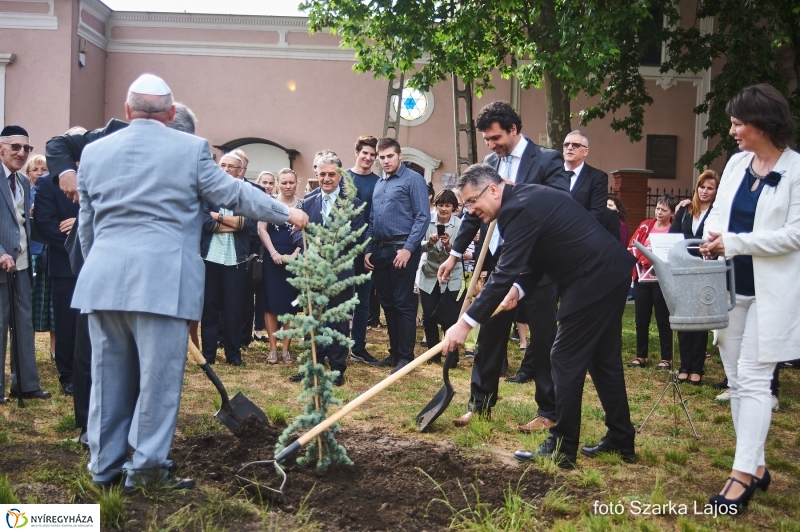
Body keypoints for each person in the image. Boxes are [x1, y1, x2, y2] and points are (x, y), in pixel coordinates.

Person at [72, 74, 308, 491]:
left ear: (127, 113)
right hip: (163, 284)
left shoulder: (94, 152)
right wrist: (285, 212)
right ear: (169, 114)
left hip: (103, 282)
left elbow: (87, 230)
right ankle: (145, 471)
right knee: (158, 381)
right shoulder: (190, 149)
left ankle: (103, 468)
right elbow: (235, 194)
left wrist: (101, 270)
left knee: (107, 378)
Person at [441, 163, 636, 469]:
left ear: (492, 189)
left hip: (593, 277)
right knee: (603, 359)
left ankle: (562, 445)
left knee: (564, 357)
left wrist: (464, 324)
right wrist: (518, 288)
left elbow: (504, 272)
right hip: (609, 272)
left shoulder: (519, 208)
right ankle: (621, 437)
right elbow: (538, 254)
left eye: (471, 202)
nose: (470, 210)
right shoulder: (523, 200)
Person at [437, 101, 569, 428]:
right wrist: (455, 253)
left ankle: (548, 412)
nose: (492, 145)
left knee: (541, 338)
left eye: (496, 137)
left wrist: (514, 189)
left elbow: (560, 202)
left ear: (514, 129)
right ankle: (480, 404)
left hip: (537, 261)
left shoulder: (547, 160)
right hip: (499, 258)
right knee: (489, 333)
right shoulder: (488, 164)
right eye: (486, 140)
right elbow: (471, 211)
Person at [700, 83, 799, 511]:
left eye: (739, 123)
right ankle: (756, 466)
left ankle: (740, 478)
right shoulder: (738, 163)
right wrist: (711, 237)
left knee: (757, 380)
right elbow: (718, 216)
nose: (733, 130)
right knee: (736, 379)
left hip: (772, 294)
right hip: (731, 288)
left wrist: (734, 242)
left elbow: (794, 235)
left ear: (763, 123)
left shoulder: (797, 171)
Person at [290, 154, 365, 385]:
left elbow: (357, 234)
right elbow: (295, 232)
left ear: (340, 176)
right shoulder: (308, 202)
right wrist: (311, 244)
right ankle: (313, 364)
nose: (326, 178)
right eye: (322, 174)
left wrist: (330, 244)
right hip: (313, 271)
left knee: (339, 319)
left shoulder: (351, 202)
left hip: (340, 271)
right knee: (314, 315)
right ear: (317, 175)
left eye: (331, 174)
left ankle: (337, 367)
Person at [364, 137, 430, 374]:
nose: (385, 161)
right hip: (380, 250)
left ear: (399, 155)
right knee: (388, 304)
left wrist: (408, 248)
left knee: (403, 304)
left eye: (389, 156)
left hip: (402, 248)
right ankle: (394, 354)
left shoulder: (414, 180)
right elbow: (373, 219)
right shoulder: (380, 183)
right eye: (381, 157)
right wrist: (369, 248)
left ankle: (406, 356)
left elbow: (423, 216)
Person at [0, 126, 51, 403]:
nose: (22, 153)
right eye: (16, 147)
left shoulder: (22, 182)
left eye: (26, 148)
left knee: (24, 324)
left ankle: (26, 385)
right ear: (1, 149)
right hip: (1, 263)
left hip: (20, 265)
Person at [199, 152, 257, 366]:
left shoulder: (245, 194)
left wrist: (219, 216)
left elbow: (248, 223)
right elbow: (203, 222)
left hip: (235, 259)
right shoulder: (207, 192)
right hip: (210, 258)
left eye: (230, 166)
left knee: (234, 309)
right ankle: (208, 355)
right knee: (210, 308)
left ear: (240, 170)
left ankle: (233, 355)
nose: (224, 169)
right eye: (221, 165)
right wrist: (233, 223)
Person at [670, 170, 719, 385]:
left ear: (716, 191)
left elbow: (709, 240)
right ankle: (684, 366)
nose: (705, 191)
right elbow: (674, 236)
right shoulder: (686, 209)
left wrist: (689, 242)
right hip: (683, 270)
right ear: (696, 187)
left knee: (700, 321)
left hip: (706, 271)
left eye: (710, 188)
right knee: (684, 319)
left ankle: (697, 368)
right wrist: (695, 244)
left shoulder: (718, 212)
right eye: (702, 187)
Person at [627, 193, 677, 370]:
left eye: (664, 210)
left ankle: (666, 358)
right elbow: (633, 245)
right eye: (657, 208)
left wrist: (653, 260)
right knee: (641, 319)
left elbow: (674, 254)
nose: (659, 212)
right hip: (642, 279)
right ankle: (641, 356)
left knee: (663, 319)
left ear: (672, 213)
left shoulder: (673, 230)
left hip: (662, 281)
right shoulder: (645, 226)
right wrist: (645, 258)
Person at [345, 136, 381, 366]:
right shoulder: (343, 178)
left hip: (367, 249)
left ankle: (358, 347)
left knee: (363, 301)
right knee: (339, 299)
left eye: (372, 155)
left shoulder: (379, 182)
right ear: (357, 152)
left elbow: (376, 218)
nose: (368, 158)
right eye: (365, 153)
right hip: (343, 249)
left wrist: (369, 248)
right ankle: (336, 346)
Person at [260, 168, 302, 364]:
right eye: (284, 182)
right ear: (278, 183)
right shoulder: (269, 204)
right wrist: (274, 253)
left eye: (291, 182)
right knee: (271, 304)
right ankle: (272, 348)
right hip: (272, 258)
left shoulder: (303, 205)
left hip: (294, 260)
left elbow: (308, 233)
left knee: (290, 305)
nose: (288, 186)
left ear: (296, 183)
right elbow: (262, 229)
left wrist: (295, 254)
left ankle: (286, 350)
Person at [419, 189, 464, 366]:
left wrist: (449, 246)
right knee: (428, 316)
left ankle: (452, 356)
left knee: (449, 317)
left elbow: (463, 254)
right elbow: (417, 246)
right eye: (440, 205)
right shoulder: (426, 220)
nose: (443, 209)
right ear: (435, 205)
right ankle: (433, 353)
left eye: (447, 205)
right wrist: (429, 243)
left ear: (453, 207)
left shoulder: (460, 224)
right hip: (429, 273)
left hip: (451, 276)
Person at [25, 155, 57, 363]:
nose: (39, 173)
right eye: (35, 169)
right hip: (32, 254)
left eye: (44, 169)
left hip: (51, 252)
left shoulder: (53, 191)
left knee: (54, 308)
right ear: (28, 174)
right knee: (30, 306)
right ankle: (28, 355)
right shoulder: (23, 193)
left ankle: (56, 353)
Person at [563, 130, 607, 222]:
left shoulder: (597, 178)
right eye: (566, 144)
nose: (570, 148)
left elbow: (596, 213)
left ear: (586, 152)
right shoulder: (551, 172)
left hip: (578, 233)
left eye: (575, 145)